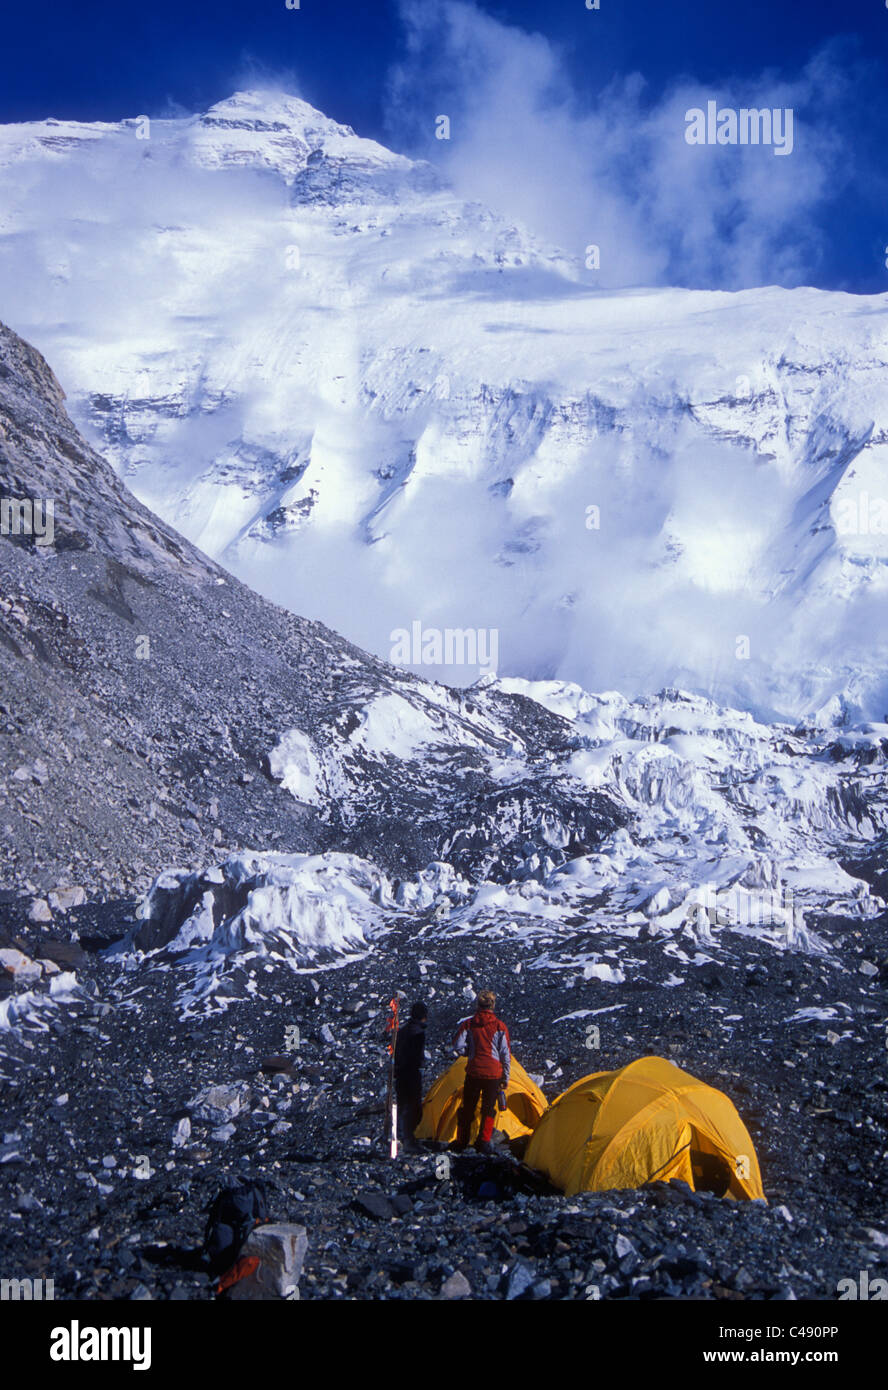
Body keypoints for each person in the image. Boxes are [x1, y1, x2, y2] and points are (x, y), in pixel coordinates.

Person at [452, 990, 511, 1154]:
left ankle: (462, 1140)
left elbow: (457, 1045)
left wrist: (467, 1052)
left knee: (468, 1106)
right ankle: (483, 1141)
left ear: (478, 1005)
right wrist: (505, 1076)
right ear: (493, 1005)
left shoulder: (469, 1024)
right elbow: (505, 1053)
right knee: (488, 1108)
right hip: (493, 1073)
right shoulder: (500, 1026)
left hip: (474, 1071)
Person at [394, 1001, 427, 1150]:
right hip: (412, 1073)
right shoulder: (418, 1033)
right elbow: (417, 1056)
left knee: (402, 1105)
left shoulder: (401, 1031)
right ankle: (411, 1140)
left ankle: (399, 1137)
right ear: (424, 1017)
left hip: (400, 1073)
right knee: (414, 1106)